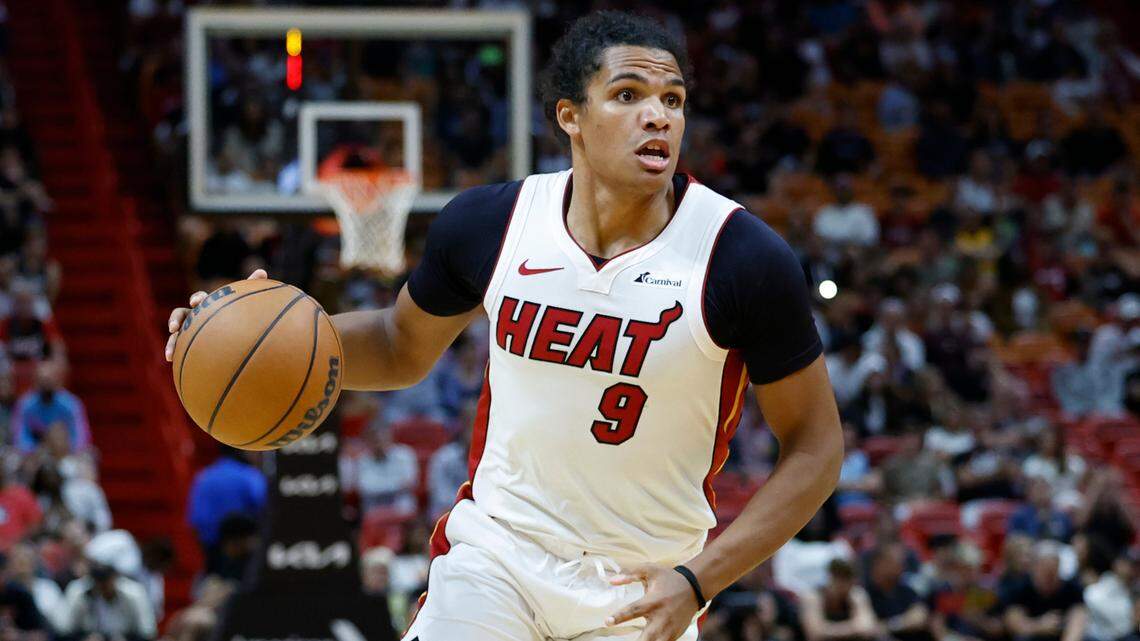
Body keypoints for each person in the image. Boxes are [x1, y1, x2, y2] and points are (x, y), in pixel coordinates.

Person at [165, 11, 843, 641]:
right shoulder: (492, 223)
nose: (657, 117)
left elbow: (815, 446)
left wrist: (701, 579)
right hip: (497, 560)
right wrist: (266, 337)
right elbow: (400, 346)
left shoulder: (740, 257)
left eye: (673, 100)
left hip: (642, 584)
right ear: (571, 116)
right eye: (629, 94)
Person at [186, 446, 266, 555]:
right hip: (244, 552)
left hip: (211, 552)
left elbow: (195, 520)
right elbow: (266, 511)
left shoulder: (204, 476)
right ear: (242, 451)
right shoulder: (250, 476)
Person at [1001, 543, 1086, 641]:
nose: (1049, 576)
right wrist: (1040, 626)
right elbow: (1014, 624)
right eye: (1044, 570)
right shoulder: (1018, 588)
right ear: (1034, 568)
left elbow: (1078, 621)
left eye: (1053, 571)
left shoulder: (1072, 589)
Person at [10, 361, 90, 453]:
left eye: (48, 380)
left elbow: (81, 436)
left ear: (57, 381)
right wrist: (32, 452)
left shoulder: (71, 404)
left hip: (66, 452)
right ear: (35, 381)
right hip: (33, 455)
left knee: (87, 458)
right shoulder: (25, 405)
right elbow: (19, 436)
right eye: (42, 380)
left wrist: (70, 452)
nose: (45, 384)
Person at [864, 542, 933, 641]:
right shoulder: (864, 593)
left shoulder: (905, 591)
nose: (902, 567)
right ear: (879, 564)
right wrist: (905, 621)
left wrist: (890, 625)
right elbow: (869, 628)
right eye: (895, 562)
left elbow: (919, 617)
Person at [798, 558, 879, 641]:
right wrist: (853, 627)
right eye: (838, 578)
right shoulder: (812, 597)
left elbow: (868, 628)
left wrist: (827, 629)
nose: (841, 584)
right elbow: (815, 634)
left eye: (846, 579)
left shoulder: (856, 595)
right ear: (830, 577)